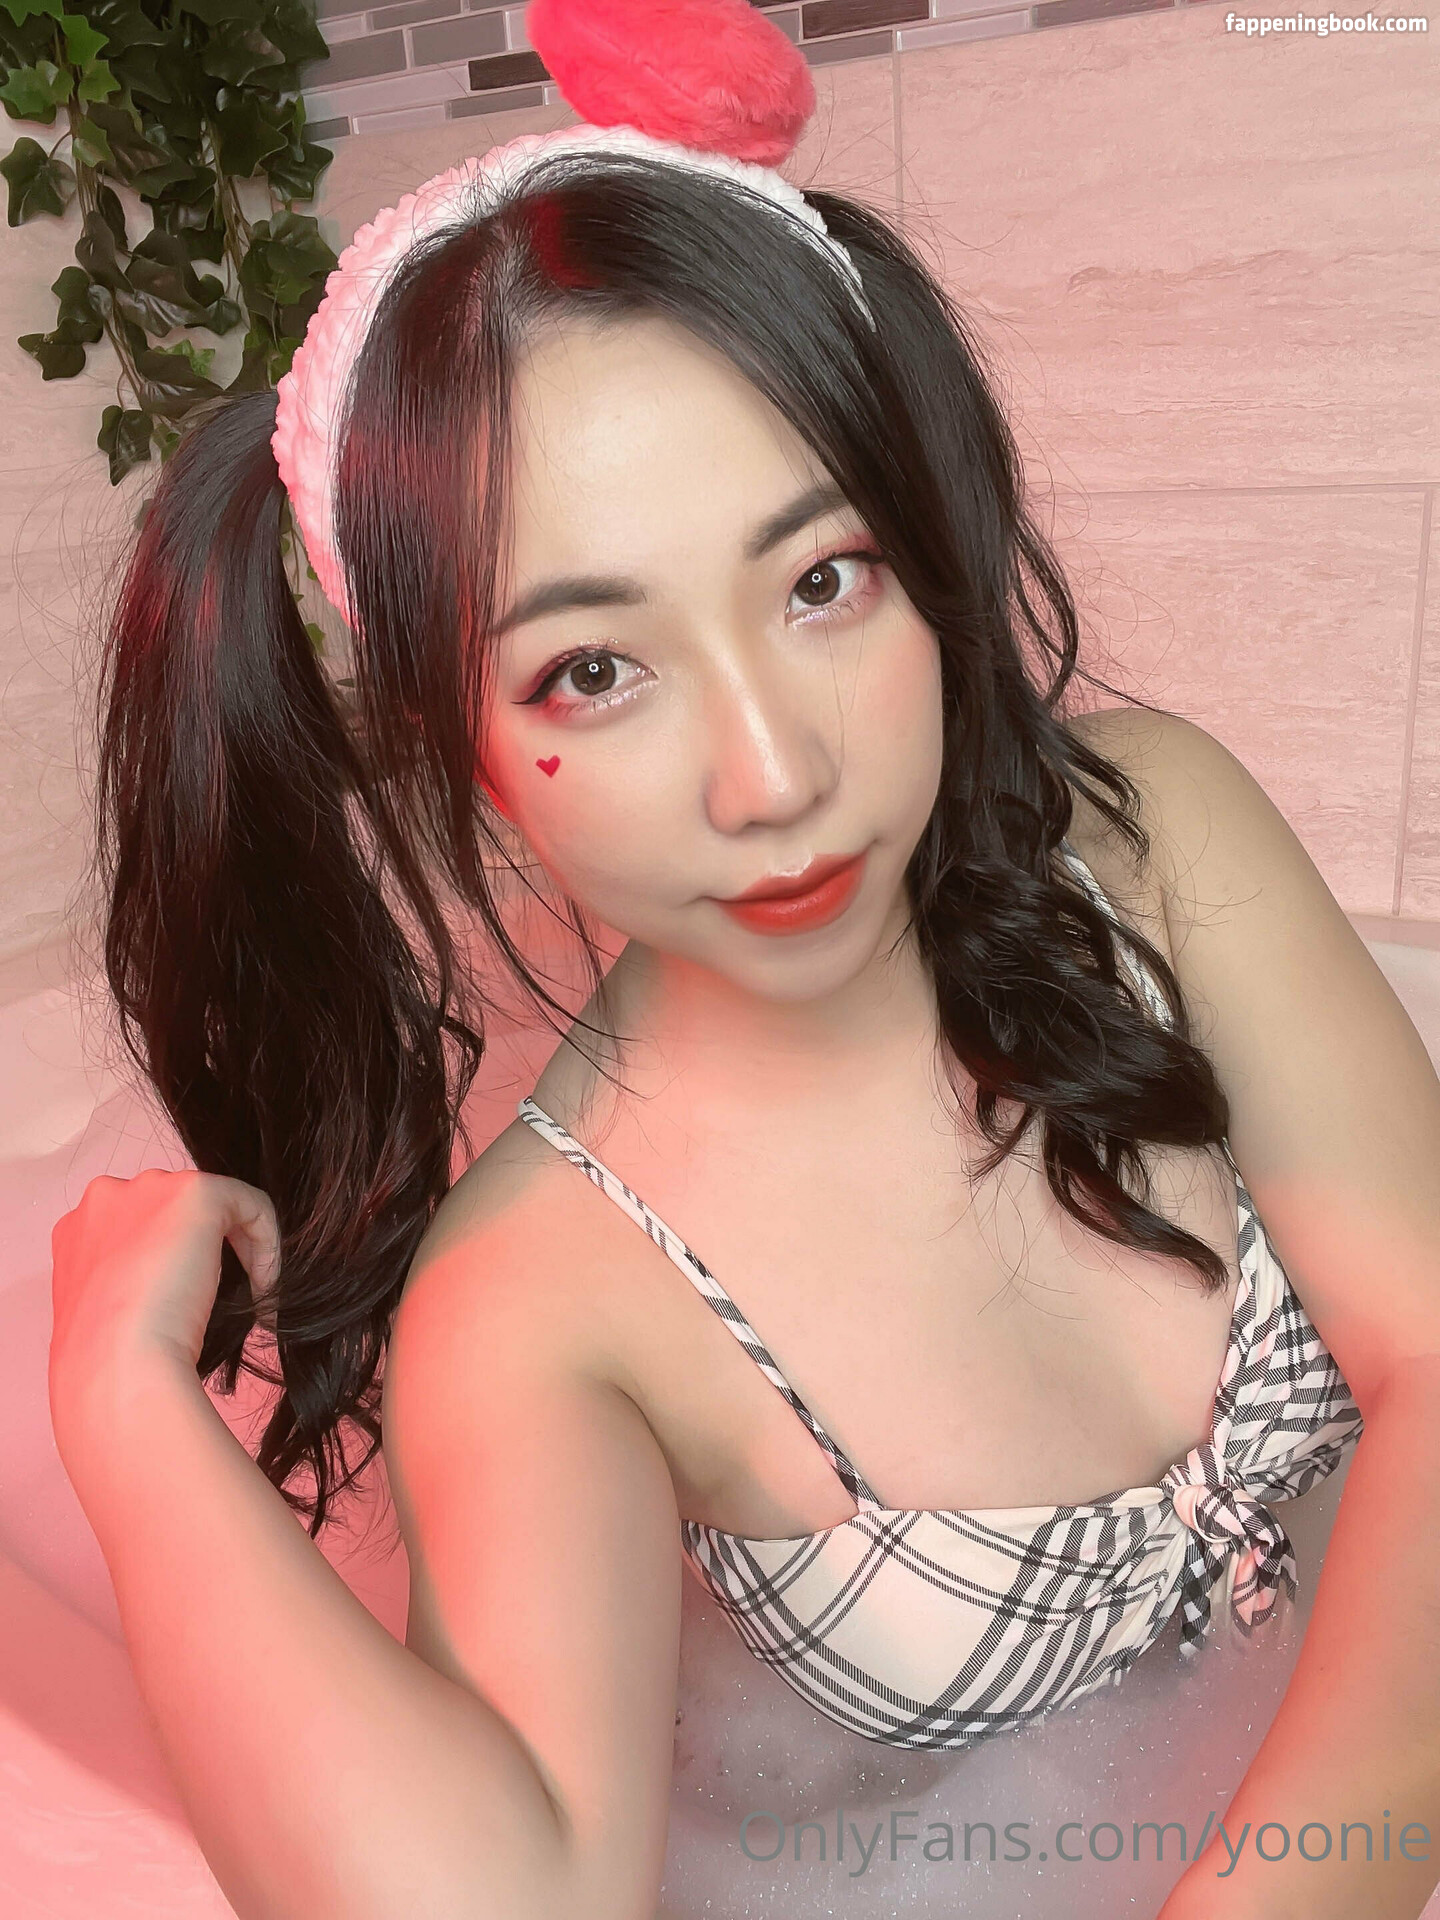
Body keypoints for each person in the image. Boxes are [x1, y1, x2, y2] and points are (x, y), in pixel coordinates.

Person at [51, 2, 1439, 1918]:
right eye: (589, 672)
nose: (776, 776)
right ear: (456, 744)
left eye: (821, 580)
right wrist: (125, 1419)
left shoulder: (1145, 839)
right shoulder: (544, 1298)